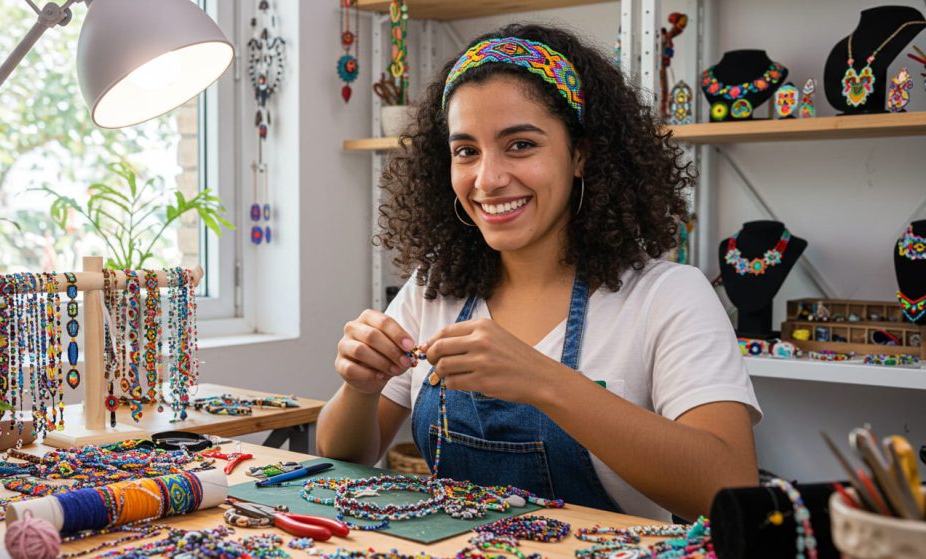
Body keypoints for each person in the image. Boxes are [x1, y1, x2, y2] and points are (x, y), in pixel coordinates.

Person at [316, 23, 761, 522]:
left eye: (521, 144)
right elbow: (343, 458)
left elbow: (731, 487)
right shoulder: (433, 290)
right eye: (466, 151)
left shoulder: (667, 295)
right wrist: (360, 386)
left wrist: (544, 381)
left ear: (580, 153)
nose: (488, 179)